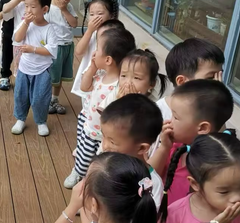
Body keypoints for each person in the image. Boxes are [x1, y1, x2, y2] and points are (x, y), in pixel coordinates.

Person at [64, 27, 136, 189]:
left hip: (104, 136)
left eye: (97, 49)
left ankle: (90, 181)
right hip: (88, 126)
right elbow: (84, 87)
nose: (94, 53)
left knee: (101, 164)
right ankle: (78, 172)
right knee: (82, 156)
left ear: (108, 60)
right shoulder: (99, 75)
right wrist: (92, 68)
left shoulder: (120, 85)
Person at [149, 80, 234, 206]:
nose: (169, 121)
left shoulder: (213, 167)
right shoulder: (175, 146)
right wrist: (164, 148)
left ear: (202, 128)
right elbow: (147, 178)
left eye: (175, 117)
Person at [100, 94, 163, 211]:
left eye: (113, 142)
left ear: (142, 148)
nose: (105, 146)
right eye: (103, 136)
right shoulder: (104, 164)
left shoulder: (152, 184)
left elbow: (148, 222)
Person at [11, 0, 58, 137]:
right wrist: (25, 23)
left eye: (33, 6)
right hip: (25, 68)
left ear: (44, 9)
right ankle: (20, 119)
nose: (28, 10)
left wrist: (33, 49)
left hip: (43, 70)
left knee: (40, 98)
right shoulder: (26, 24)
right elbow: (17, 38)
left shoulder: (49, 29)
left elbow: (51, 50)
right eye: (26, 6)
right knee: (20, 95)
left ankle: (41, 121)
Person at [71, 0, 119, 99]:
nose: (95, 17)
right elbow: (78, 52)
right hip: (88, 77)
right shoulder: (92, 33)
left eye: (100, 14)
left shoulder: (116, 35)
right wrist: (89, 31)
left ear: (111, 15)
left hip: (106, 80)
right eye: (92, 14)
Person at [97, 49, 169, 113]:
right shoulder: (117, 92)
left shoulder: (153, 106)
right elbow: (104, 115)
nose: (128, 83)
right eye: (123, 76)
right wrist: (118, 103)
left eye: (136, 78)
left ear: (152, 84)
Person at [46, 0, 78, 115]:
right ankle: (45, 100)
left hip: (67, 46)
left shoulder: (68, 7)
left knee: (59, 77)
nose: (64, 0)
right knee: (51, 75)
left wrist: (64, 9)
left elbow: (74, 23)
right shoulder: (47, 7)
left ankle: (55, 99)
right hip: (54, 47)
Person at [2, 0, 40, 75]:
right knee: (19, 71)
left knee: (34, 68)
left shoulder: (38, 4)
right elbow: (5, 9)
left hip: (34, 42)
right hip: (19, 42)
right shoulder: (17, 3)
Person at [0, 0, 23, 91]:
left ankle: (20, 77)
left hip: (22, 34)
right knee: (6, 56)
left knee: (21, 56)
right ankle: (5, 76)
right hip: (7, 32)